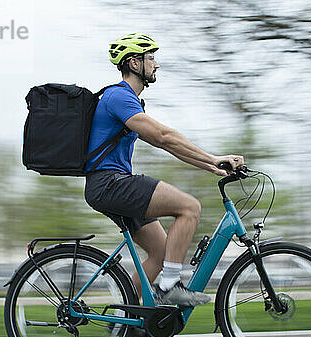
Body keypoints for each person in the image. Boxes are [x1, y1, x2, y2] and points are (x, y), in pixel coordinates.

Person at [84, 33, 244, 307]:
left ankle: (127, 319)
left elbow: (166, 145)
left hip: (108, 185)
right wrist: (214, 156)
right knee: (189, 207)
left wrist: (211, 165)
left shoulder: (127, 101)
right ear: (134, 63)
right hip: (111, 183)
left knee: (160, 253)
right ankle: (170, 286)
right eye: (151, 58)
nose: (156, 65)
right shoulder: (118, 97)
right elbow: (164, 136)